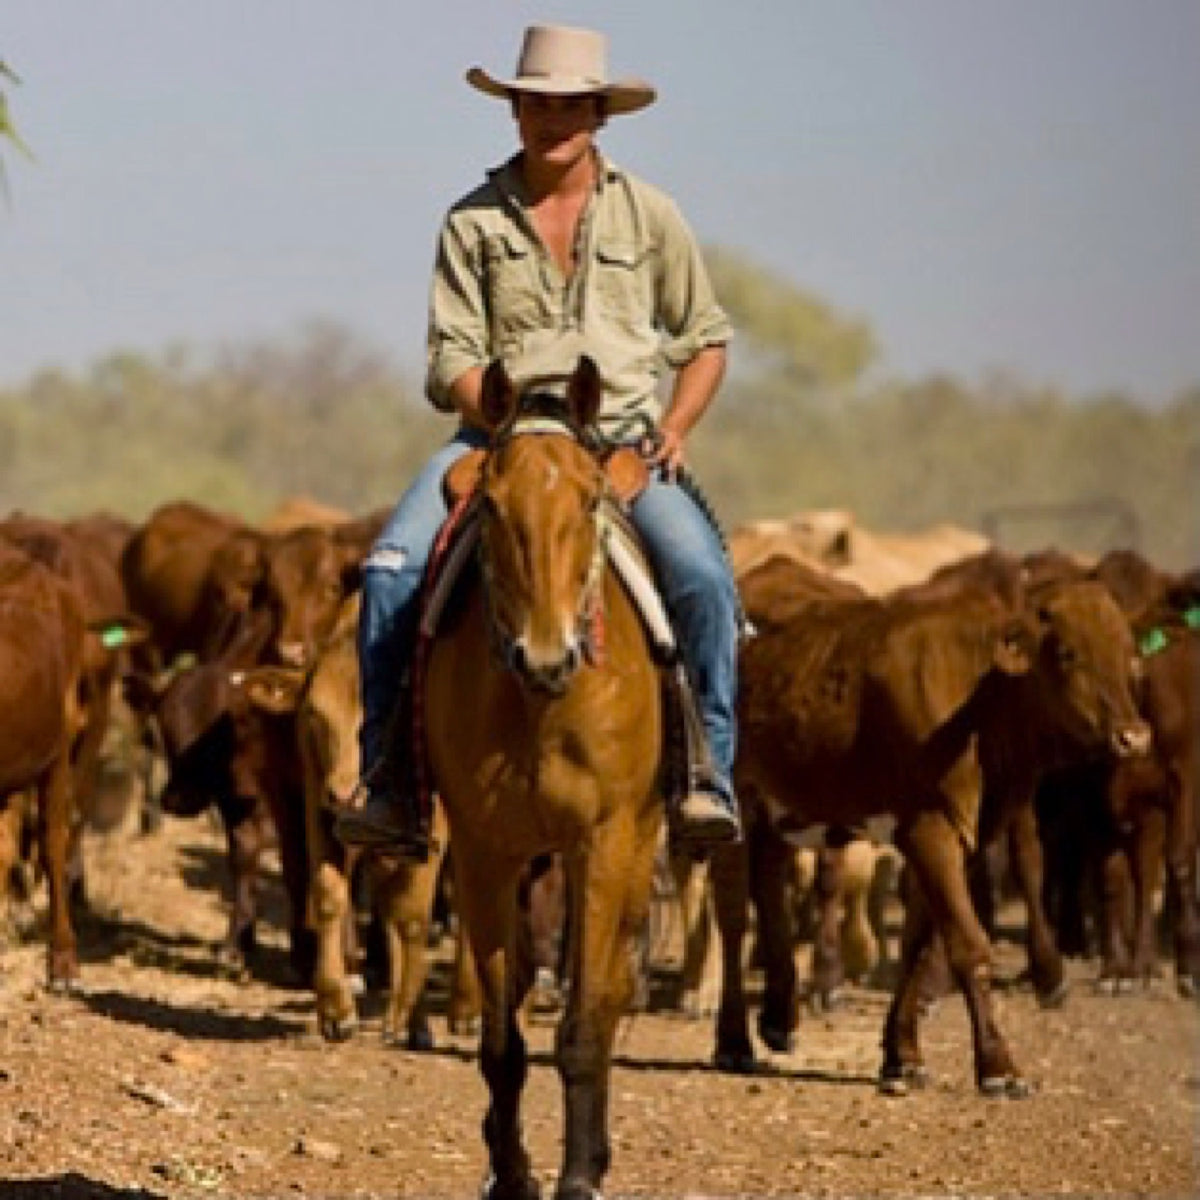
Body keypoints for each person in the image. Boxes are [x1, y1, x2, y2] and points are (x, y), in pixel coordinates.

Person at [335, 23, 741, 857]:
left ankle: (707, 775)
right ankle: (393, 782)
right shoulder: (472, 223)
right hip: (497, 435)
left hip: (620, 438)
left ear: (599, 114)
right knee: (389, 572)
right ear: (514, 113)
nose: (551, 120)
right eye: (534, 105)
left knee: (701, 577)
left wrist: (670, 429)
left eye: (568, 106)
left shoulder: (651, 215)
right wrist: (504, 423)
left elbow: (705, 338)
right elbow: (450, 353)